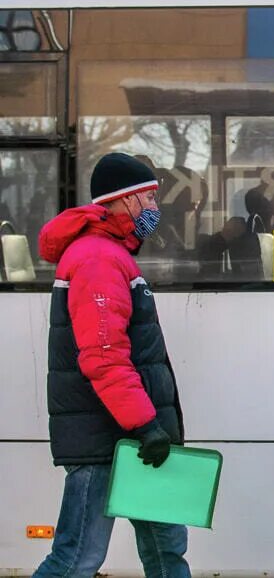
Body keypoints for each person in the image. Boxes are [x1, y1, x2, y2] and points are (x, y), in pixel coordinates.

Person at [34, 152, 189, 577]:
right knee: (76, 558)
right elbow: (104, 356)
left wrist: (147, 428)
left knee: (165, 553)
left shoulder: (110, 254)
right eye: (148, 199)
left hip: (133, 438)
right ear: (121, 202)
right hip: (110, 440)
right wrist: (146, 426)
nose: (155, 209)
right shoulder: (98, 259)